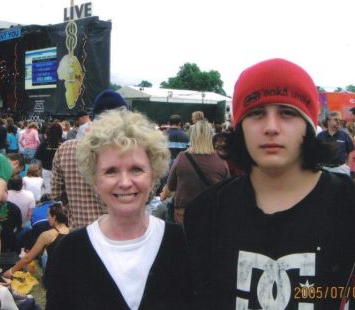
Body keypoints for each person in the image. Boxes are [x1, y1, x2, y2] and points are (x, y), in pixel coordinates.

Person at [184, 58, 355, 309]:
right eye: (257, 113)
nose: (271, 127)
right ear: (239, 127)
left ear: (308, 125)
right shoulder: (207, 212)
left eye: (287, 113)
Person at [46, 109, 193, 309]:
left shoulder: (182, 244)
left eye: (136, 169)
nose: (125, 182)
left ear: (153, 176)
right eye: (111, 171)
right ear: (95, 180)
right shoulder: (69, 251)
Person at [50, 89, 128, 228]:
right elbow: (147, 194)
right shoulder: (130, 151)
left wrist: (73, 209)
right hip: (120, 234)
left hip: (80, 232)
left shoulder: (65, 149)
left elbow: (56, 194)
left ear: (93, 118)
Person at [164, 120, 229, 224]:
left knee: (184, 239)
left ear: (192, 136)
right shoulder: (221, 159)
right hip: (211, 211)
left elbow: (171, 185)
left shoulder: (182, 157)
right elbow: (227, 189)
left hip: (184, 211)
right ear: (211, 136)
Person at [3, 203, 69, 287]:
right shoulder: (73, 232)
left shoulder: (48, 235)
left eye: (48, 215)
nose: (47, 218)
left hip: (54, 277)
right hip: (70, 275)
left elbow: (28, 258)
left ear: (54, 217)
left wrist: (10, 271)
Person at [317, 111, 354, 175]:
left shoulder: (344, 135)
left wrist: (348, 166)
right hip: (324, 169)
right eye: (336, 119)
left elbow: (351, 150)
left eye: (339, 120)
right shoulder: (320, 136)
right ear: (328, 121)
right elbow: (316, 151)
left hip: (340, 169)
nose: (338, 122)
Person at [35, 122, 63, 196]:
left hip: (47, 170)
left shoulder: (44, 144)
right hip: (61, 171)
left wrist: (39, 171)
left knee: (48, 190)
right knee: (60, 191)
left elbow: (39, 160)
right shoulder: (64, 143)